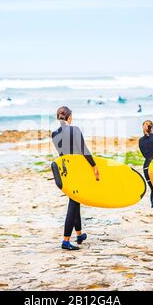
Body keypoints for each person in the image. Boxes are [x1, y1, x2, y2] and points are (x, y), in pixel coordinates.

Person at [51, 106, 100, 251]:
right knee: (73, 204)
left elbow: (62, 154)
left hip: (66, 171)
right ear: (69, 117)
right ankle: (66, 241)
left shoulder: (54, 134)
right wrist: (94, 166)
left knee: (76, 201)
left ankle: (79, 235)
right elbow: (84, 150)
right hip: (78, 170)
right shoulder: (75, 130)